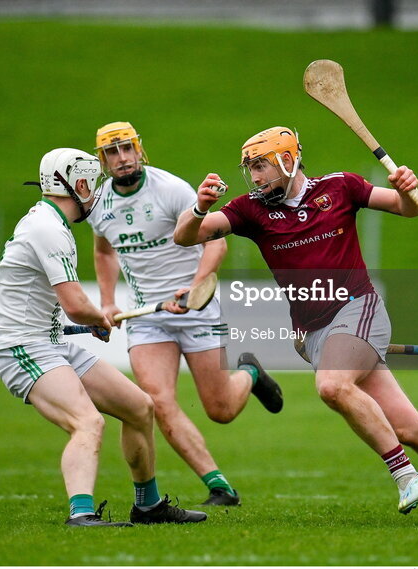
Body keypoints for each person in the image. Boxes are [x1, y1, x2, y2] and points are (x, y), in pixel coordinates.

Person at [174, 126, 418, 525]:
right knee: (409, 426)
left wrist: (405, 188)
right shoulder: (250, 209)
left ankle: (404, 474)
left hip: (358, 308)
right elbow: (186, 237)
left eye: (261, 166)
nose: (255, 177)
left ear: (288, 159)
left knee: (332, 385)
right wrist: (200, 207)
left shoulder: (341, 187)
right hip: (315, 333)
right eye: (250, 169)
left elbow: (405, 208)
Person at [0, 147, 207, 527]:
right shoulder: (48, 229)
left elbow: (69, 310)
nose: (96, 192)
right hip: (21, 347)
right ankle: (81, 513)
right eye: (93, 183)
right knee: (87, 422)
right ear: (78, 184)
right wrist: (99, 316)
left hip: (51, 342)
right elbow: (75, 304)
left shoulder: (51, 223)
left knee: (139, 407)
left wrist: (93, 318)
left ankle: (148, 506)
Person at [88, 122, 283, 507]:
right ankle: (219, 486)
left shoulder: (171, 189)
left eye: (127, 148)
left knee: (221, 410)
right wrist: (108, 302)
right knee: (157, 401)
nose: (122, 158)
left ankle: (251, 373)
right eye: (113, 152)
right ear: (103, 160)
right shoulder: (98, 205)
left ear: (139, 150)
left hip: (198, 307)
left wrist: (195, 287)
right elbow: (105, 251)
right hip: (147, 316)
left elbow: (216, 247)